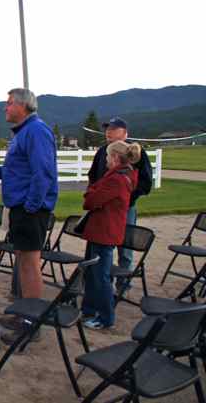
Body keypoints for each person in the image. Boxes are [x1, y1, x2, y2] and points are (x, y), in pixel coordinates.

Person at [0, 88, 58, 345]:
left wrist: (31, 207)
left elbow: (43, 173)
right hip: (20, 207)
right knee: (23, 261)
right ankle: (24, 314)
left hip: (29, 209)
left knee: (31, 263)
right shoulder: (23, 133)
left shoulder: (36, 131)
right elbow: (20, 171)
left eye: (9, 103)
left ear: (23, 106)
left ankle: (31, 324)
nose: (5, 108)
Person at [81, 140, 140, 330]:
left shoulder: (116, 179)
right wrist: (94, 191)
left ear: (114, 157)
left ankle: (106, 317)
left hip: (104, 232)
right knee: (93, 273)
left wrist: (91, 191)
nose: (105, 159)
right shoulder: (120, 176)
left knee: (101, 276)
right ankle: (89, 309)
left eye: (107, 156)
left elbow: (90, 201)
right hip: (102, 230)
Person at [87, 117, 152, 289]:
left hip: (125, 208)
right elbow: (93, 175)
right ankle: (103, 283)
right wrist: (95, 193)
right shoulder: (103, 151)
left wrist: (126, 198)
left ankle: (123, 284)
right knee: (102, 247)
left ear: (125, 133)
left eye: (113, 129)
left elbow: (145, 183)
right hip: (102, 208)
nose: (108, 132)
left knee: (125, 248)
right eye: (107, 129)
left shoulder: (135, 153)